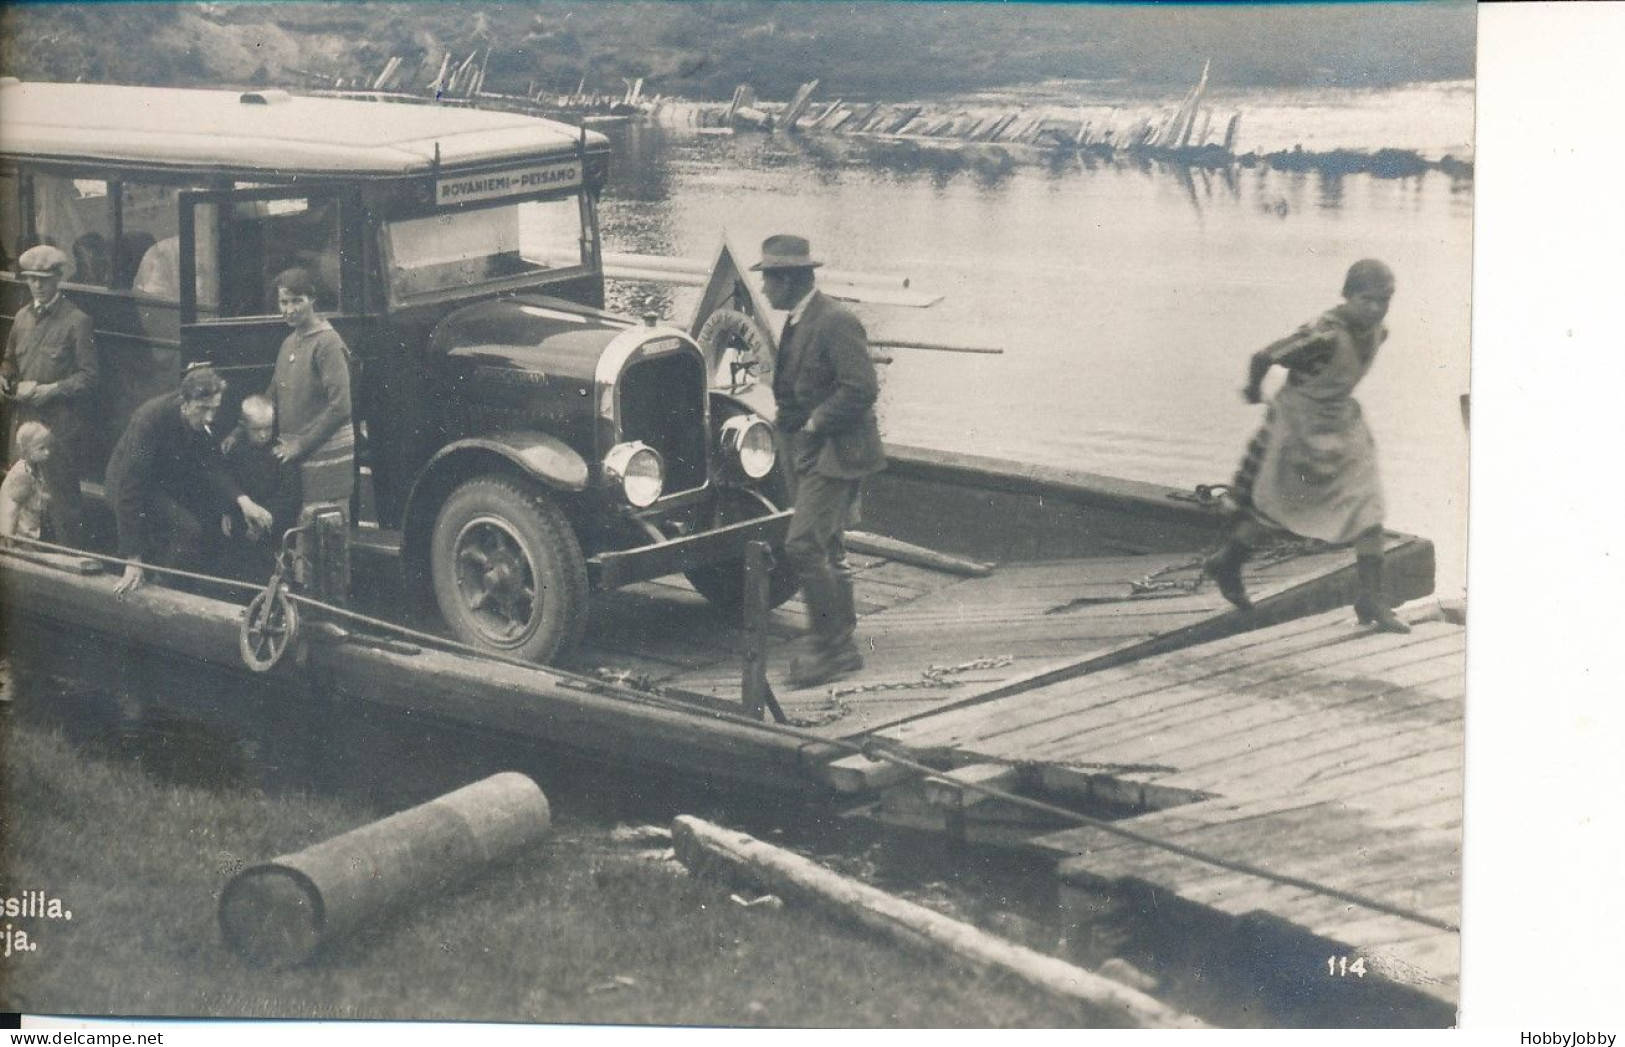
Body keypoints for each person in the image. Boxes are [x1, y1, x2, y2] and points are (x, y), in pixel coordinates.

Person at [1206, 258, 1410, 634]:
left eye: (1384, 300)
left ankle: (1371, 598)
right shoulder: (1324, 334)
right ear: (1347, 296)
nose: (1376, 308)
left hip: (1341, 423)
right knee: (1277, 507)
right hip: (1300, 423)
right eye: (1367, 299)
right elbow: (1265, 356)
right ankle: (1229, 562)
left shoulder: (1379, 332)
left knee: (1368, 508)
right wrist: (1254, 390)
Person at [754, 234, 887, 688]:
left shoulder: (834, 321)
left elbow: (862, 388)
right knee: (827, 545)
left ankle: (833, 648)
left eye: (769, 278)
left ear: (790, 279)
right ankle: (840, 640)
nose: (765, 288)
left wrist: (815, 423)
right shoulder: (799, 319)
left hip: (835, 451)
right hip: (805, 450)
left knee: (803, 546)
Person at [107, 365, 273, 595]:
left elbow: (213, 467)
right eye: (203, 409)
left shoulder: (202, 420)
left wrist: (244, 502)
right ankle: (160, 591)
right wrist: (132, 558)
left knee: (202, 526)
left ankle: (174, 584)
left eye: (214, 409)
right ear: (184, 403)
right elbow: (130, 488)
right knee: (188, 530)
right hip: (130, 487)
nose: (209, 417)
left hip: (162, 482)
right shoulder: (149, 420)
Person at [1, 244, 99, 546]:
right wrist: (4, 376)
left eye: (44, 279)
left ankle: (71, 565)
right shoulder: (22, 318)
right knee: (18, 496)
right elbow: (10, 361)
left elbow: (90, 377)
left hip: (58, 429)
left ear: (58, 278)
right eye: (32, 279)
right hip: (24, 425)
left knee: (63, 503)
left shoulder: (76, 321)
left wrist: (52, 390)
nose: (38, 286)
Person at [266, 267, 354, 524]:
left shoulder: (327, 343)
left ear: (312, 300)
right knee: (299, 543)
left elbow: (341, 407)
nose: (290, 309)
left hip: (325, 468)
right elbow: (274, 393)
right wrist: (240, 430)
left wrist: (300, 445)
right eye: (284, 302)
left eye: (297, 301)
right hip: (297, 467)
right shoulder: (289, 343)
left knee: (325, 543)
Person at [220, 394, 301, 581]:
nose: (264, 434)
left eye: (268, 428)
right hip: (240, 525)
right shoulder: (236, 451)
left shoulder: (281, 454)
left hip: (272, 527)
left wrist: (264, 522)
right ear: (244, 425)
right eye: (257, 429)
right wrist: (225, 511)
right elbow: (229, 483)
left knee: (265, 571)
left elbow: (289, 496)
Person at [0, 421, 53, 542]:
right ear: (25, 451)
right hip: (18, 537)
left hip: (30, 533)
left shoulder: (36, 468)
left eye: (48, 447)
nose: (47, 452)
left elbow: (32, 494)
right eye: (41, 448)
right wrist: (7, 542)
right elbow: (10, 511)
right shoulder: (22, 475)